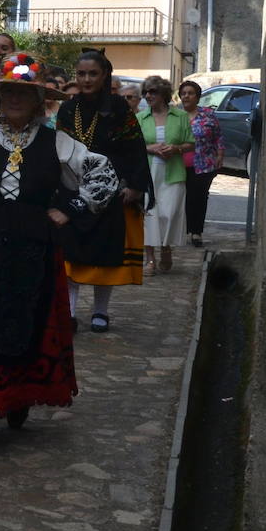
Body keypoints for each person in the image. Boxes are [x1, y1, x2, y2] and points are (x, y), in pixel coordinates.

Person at [0, 54, 119, 463]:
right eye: (8, 90)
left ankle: (16, 398)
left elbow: (103, 174)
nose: (14, 98)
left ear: (37, 101)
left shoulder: (56, 142)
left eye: (23, 93)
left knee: (25, 329)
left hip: (33, 254)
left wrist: (73, 209)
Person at [56, 51, 150, 333]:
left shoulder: (119, 108)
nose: (86, 79)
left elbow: (135, 148)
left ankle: (100, 311)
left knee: (104, 254)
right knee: (70, 254)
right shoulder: (67, 109)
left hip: (110, 191)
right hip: (73, 188)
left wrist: (134, 185)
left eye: (92, 74)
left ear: (104, 75)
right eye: (81, 74)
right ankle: (69, 311)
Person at [138, 76, 193, 276]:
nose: (148, 95)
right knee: (150, 215)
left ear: (164, 94)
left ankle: (166, 247)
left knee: (169, 214)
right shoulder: (140, 118)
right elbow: (131, 147)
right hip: (149, 173)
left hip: (173, 172)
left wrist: (177, 149)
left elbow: (191, 143)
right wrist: (149, 148)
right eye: (146, 92)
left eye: (153, 91)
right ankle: (150, 259)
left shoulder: (180, 117)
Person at [178, 80, 224, 248]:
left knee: (199, 198)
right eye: (183, 93)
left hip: (204, 164)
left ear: (197, 97)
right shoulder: (176, 115)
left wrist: (220, 154)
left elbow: (218, 136)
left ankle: (196, 232)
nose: (186, 96)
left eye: (190, 93)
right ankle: (184, 230)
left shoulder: (208, 114)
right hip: (178, 165)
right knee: (183, 198)